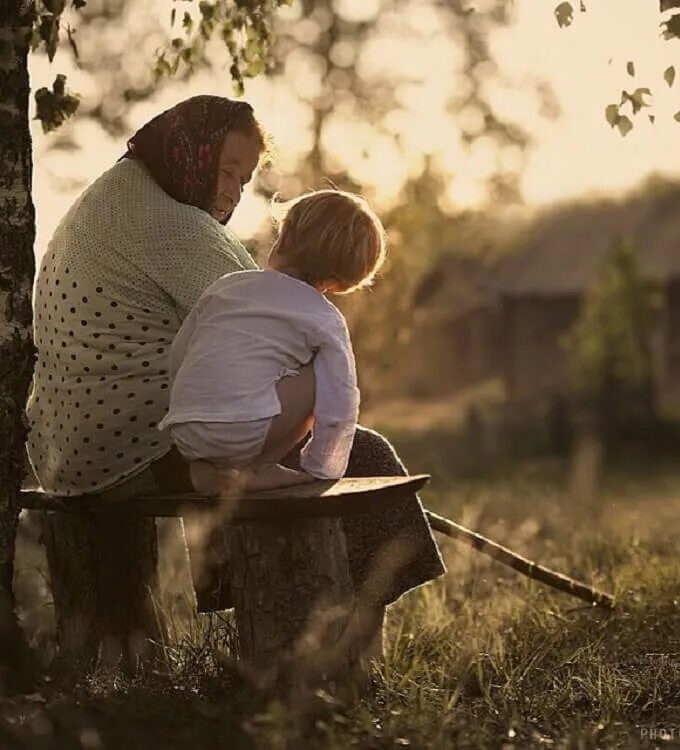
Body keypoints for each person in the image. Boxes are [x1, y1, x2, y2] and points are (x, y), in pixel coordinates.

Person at [26, 95, 445, 635]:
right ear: (190, 151)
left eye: (244, 181)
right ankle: (347, 647)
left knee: (235, 421)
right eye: (225, 170)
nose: (231, 191)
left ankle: (287, 615)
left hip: (66, 449)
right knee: (362, 453)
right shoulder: (177, 228)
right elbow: (272, 338)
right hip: (130, 452)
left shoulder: (116, 194)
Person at [161, 189, 387, 496]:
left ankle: (205, 468)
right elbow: (340, 400)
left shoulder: (226, 287)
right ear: (341, 281)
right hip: (243, 432)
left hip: (185, 429)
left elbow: (180, 354)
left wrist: (187, 407)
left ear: (284, 240)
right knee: (319, 376)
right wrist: (322, 466)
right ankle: (259, 467)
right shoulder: (324, 317)